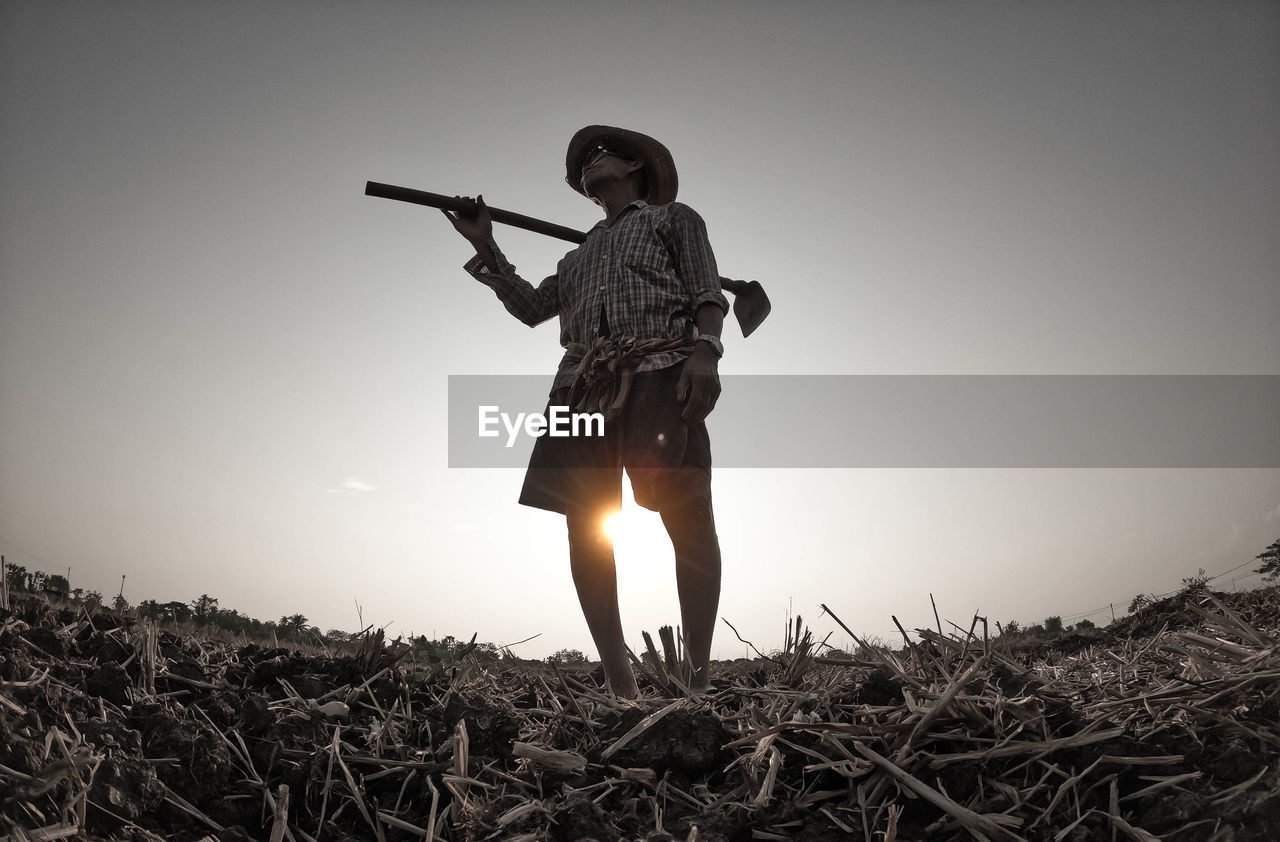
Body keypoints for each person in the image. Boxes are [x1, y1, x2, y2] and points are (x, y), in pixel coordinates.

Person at [441, 126, 728, 698]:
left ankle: (696, 678)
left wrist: (707, 353)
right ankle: (621, 686)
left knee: (687, 511)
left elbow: (706, 293)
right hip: (580, 384)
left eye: (603, 154)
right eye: (585, 161)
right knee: (586, 525)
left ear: (635, 169)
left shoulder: (674, 221)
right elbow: (530, 308)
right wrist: (484, 244)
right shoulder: (576, 258)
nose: (591, 163)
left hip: (661, 367)